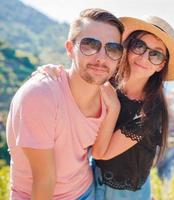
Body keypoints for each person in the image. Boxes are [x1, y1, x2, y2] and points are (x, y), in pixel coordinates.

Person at [36, 16, 174, 200]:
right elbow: (80, 74)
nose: (144, 57)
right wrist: (56, 72)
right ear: (127, 47)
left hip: (125, 194)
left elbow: (101, 153)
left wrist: (113, 108)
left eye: (155, 54)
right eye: (139, 46)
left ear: (161, 65)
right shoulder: (108, 81)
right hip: (91, 178)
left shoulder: (150, 112)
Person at [6, 8, 124, 200]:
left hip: (85, 190)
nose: (101, 57)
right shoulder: (40, 96)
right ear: (70, 49)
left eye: (112, 49)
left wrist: (115, 109)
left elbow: (98, 152)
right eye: (90, 45)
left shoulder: (108, 97)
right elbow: (44, 180)